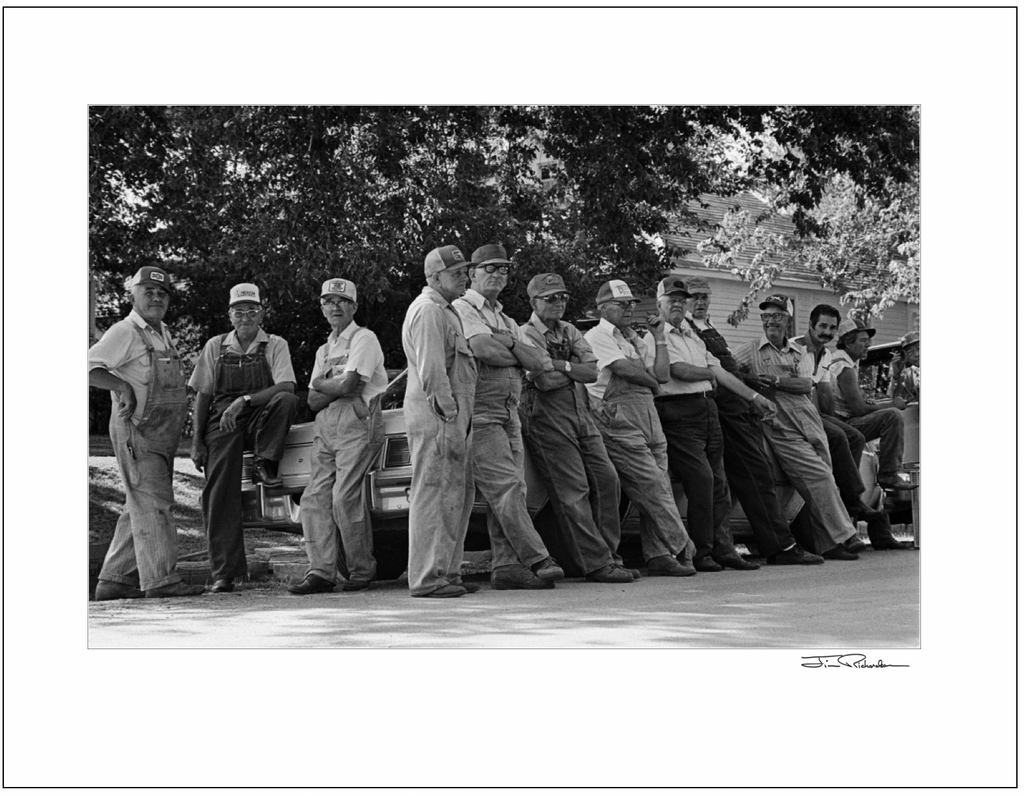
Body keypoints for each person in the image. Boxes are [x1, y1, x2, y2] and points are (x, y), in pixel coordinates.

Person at [683, 277, 823, 565]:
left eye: (704, 297)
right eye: (694, 297)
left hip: (740, 408)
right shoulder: (685, 331)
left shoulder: (707, 328)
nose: (700, 302)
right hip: (720, 411)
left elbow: (726, 367)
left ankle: (738, 547)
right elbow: (715, 373)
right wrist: (750, 388)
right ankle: (779, 547)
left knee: (745, 479)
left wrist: (752, 393)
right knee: (753, 474)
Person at [453, 244, 566, 590]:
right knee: (505, 487)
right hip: (481, 409)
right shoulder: (461, 307)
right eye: (490, 268)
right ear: (472, 273)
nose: (498, 275)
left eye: (503, 269)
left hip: (510, 409)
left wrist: (513, 346)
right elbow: (482, 348)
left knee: (516, 487)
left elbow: (541, 362)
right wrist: (516, 351)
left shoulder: (504, 317)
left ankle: (505, 566)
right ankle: (537, 557)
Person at [89, 266, 205, 599]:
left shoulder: (163, 332)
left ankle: (115, 580)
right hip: (137, 431)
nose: (156, 297)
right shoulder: (125, 331)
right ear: (133, 294)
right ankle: (161, 581)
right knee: (156, 503)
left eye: (162, 293)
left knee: (139, 503)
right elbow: (89, 368)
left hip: (161, 435)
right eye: (148, 292)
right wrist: (121, 385)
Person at [518, 272, 636, 584]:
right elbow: (542, 381)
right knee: (573, 491)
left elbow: (592, 372)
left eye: (563, 297)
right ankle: (597, 564)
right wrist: (572, 366)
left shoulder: (569, 329)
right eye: (550, 298)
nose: (559, 303)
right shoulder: (526, 333)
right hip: (545, 417)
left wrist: (562, 366)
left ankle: (610, 556)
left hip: (580, 411)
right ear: (533, 302)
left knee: (608, 480)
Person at [642, 277, 765, 572]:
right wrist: (706, 374)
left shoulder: (692, 335)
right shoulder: (654, 337)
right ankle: (702, 551)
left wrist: (753, 396)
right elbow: (676, 371)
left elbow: (719, 370)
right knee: (701, 481)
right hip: (677, 413)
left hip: (706, 410)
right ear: (659, 303)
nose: (679, 305)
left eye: (682, 300)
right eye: (672, 300)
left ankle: (724, 549)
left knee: (719, 484)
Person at [189, 283, 299, 593]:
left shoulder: (276, 344)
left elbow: (287, 386)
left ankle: (265, 462)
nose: (245, 317)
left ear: (261, 313)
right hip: (222, 419)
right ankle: (226, 572)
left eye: (252, 311)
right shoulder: (215, 346)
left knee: (287, 401)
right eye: (239, 312)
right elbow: (203, 394)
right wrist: (197, 440)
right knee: (219, 489)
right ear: (230, 315)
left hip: (259, 414)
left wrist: (245, 400)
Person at [583, 279, 697, 576]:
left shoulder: (635, 337)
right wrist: (653, 383)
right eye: (621, 304)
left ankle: (659, 555)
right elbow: (624, 370)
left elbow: (660, 372)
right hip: (618, 417)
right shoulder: (597, 335)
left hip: (647, 415)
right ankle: (683, 544)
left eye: (631, 303)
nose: (628, 309)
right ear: (603, 308)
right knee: (650, 485)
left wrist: (659, 336)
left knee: (661, 484)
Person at [734, 294, 860, 560]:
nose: (772, 321)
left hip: (807, 416)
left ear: (788, 320)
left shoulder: (799, 351)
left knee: (823, 478)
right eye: (767, 316)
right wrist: (750, 381)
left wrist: (775, 381)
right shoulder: (750, 349)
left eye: (778, 316)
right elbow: (728, 372)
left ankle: (827, 545)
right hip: (780, 423)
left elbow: (805, 385)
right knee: (819, 477)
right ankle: (847, 535)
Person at [289, 278, 389, 595]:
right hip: (326, 425)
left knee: (344, 496)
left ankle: (361, 570)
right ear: (322, 307)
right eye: (328, 301)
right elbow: (313, 401)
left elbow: (349, 387)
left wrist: (324, 383)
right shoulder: (323, 349)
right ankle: (320, 572)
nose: (335, 307)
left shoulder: (365, 338)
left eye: (342, 301)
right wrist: (334, 384)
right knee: (313, 498)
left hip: (357, 420)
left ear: (354, 307)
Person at [402, 244, 478, 598]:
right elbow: (432, 372)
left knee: (454, 495)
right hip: (439, 417)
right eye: (456, 272)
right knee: (433, 495)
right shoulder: (429, 311)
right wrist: (450, 415)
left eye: (465, 270)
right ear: (434, 277)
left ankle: (446, 571)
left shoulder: (446, 310)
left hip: (449, 417)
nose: (464, 276)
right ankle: (427, 578)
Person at [792, 304, 881, 527]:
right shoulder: (796, 348)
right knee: (841, 436)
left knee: (855, 436)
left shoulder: (826, 355)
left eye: (832, 328)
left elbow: (824, 391)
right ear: (810, 325)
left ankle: (851, 496)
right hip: (793, 411)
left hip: (813, 412)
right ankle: (852, 498)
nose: (827, 332)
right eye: (822, 326)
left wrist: (830, 420)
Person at [829, 319, 918, 492]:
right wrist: (892, 402)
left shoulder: (844, 362)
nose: (868, 344)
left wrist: (890, 398)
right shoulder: (844, 367)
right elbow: (861, 409)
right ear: (848, 342)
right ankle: (889, 473)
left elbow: (881, 401)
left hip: (842, 423)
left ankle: (887, 477)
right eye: (863, 340)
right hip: (844, 425)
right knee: (892, 416)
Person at [889, 330, 920, 403]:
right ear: (906, 357)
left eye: (919, 348)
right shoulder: (911, 376)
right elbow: (897, 401)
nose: (916, 354)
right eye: (910, 352)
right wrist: (896, 376)